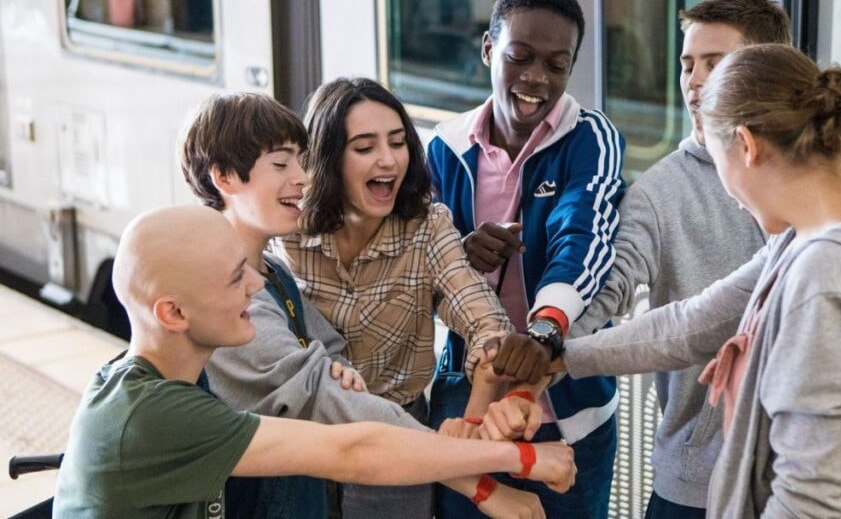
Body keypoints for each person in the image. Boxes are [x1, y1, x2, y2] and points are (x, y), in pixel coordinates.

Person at [538, 44, 841, 517]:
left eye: (720, 165)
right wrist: (564, 358)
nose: (733, 201)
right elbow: (699, 320)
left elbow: (806, 500)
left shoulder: (825, 279)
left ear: (747, 145)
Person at [52, 205, 576, 518]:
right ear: (173, 312)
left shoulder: (165, 384)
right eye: (237, 278)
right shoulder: (152, 417)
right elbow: (351, 449)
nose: (258, 285)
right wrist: (519, 462)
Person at [178, 92, 541, 518]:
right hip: (290, 471)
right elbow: (321, 393)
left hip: (373, 447)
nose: (301, 177)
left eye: (397, 142)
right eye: (282, 164)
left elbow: (329, 357)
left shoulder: (272, 272)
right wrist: (480, 481)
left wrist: (340, 371)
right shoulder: (231, 286)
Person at [571, 0, 791, 518]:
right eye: (687, 64)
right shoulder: (659, 191)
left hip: (794, 472)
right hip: (696, 484)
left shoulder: (814, 186)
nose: (693, 82)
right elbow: (612, 285)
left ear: (764, 73)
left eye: (714, 64)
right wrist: (552, 336)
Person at [428, 0, 625, 518]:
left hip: (565, 407)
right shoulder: (445, 148)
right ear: (490, 49)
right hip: (469, 391)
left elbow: (581, 234)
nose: (536, 78)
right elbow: (420, 258)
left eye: (557, 65)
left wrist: (544, 330)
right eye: (520, 56)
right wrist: (461, 256)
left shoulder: (591, 139)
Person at [269, 79, 522, 448]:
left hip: (399, 430)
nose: (388, 159)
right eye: (365, 147)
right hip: (305, 430)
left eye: (398, 142)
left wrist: (472, 431)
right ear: (329, 158)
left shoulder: (428, 227)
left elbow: (488, 326)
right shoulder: (289, 227)